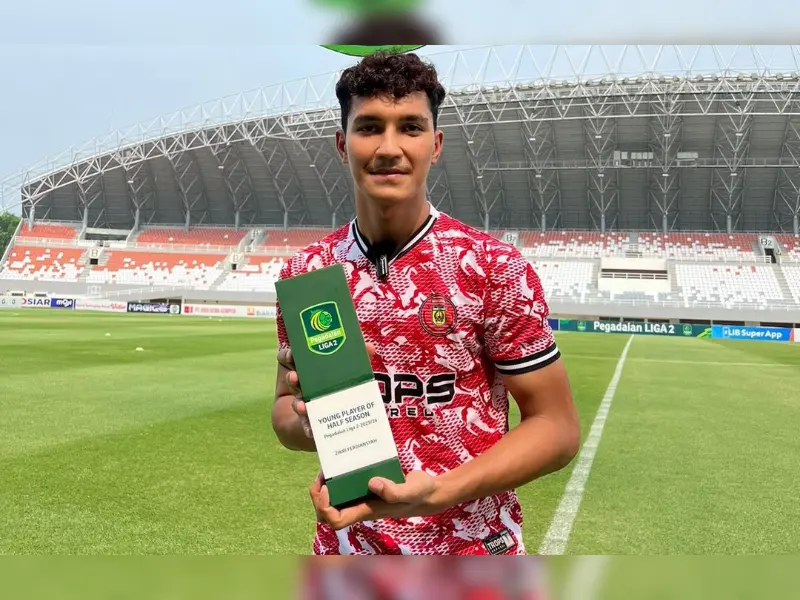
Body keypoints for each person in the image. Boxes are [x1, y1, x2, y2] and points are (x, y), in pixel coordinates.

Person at [271, 50, 580, 555]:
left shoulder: (492, 265)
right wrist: (310, 422)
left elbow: (556, 427)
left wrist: (439, 492)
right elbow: (284, 414)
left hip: (473, 556)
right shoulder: (308, 273)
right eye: (369, 127)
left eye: (410, 127)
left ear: (435, 145)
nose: (389, 148)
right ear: (341, 144)